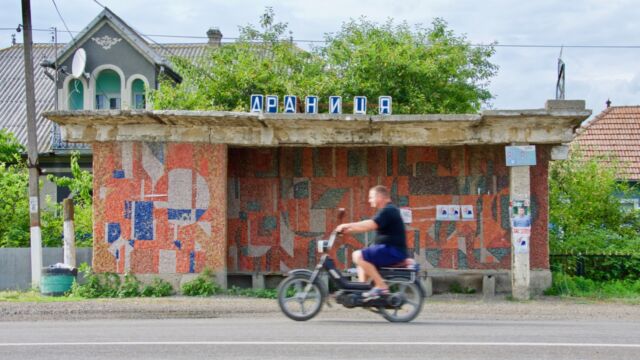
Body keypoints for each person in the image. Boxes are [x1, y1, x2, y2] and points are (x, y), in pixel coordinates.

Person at [335, 185, 408, 300]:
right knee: (362, 262)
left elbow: (370, 224)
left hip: (392, 250)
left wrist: (347, 225)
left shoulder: (388, 210)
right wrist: (347, 230)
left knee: (357, 255)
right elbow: (364, 227)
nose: (369, 200)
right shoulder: (387, 210)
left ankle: (381, 287)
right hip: (389, 250)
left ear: (380, 196)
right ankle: (362, 293)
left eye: (371, 197)